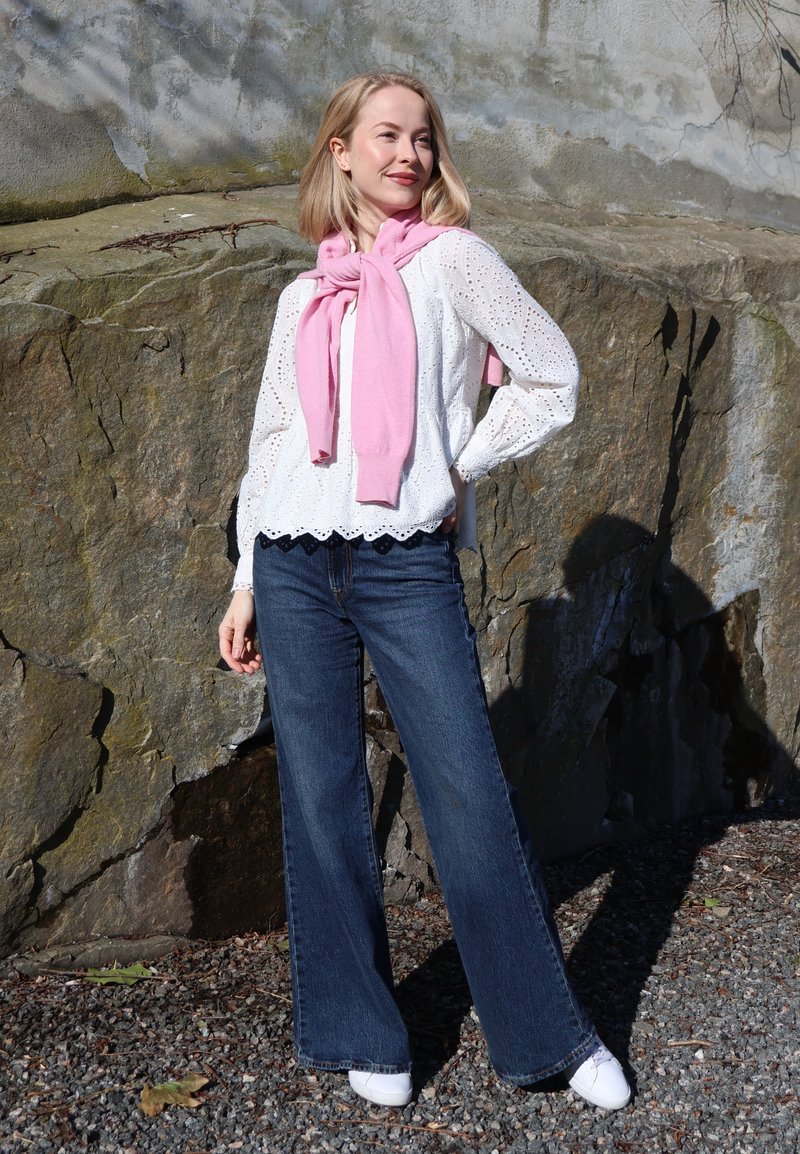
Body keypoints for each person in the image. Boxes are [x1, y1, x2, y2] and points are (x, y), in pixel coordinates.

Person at [218, 71, 631, 1113]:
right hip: (292, 561)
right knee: (320, 799)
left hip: (403, 557)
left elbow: (552, 375)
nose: (409, 153)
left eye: (423, 138)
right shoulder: (304, 294)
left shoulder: (456, 261)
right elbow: (271, 441)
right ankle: (361, 1028)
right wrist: (245, 579)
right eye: (387, 135)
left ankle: (547, 1034)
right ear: (341, 151)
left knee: (468, 794)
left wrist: (456, 465)